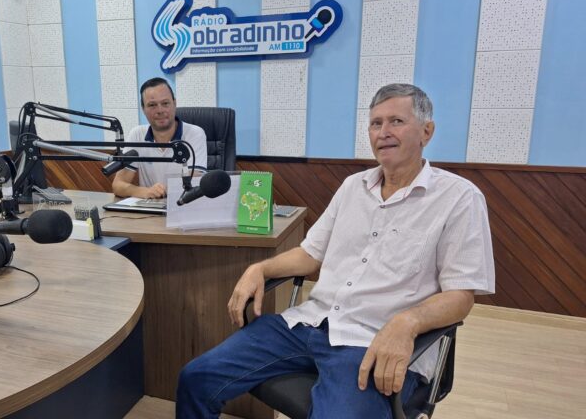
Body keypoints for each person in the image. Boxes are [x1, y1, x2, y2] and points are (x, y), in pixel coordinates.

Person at [176, 83, 495, 418]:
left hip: (373, 342)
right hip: (309, 324)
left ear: (426, 131)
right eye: (375, 123)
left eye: (396, 122)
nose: (383, 132)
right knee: (196, 377)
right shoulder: (352, 187)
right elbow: (310, 254)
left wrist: (408, 321)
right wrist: (260, 269)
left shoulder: (459, 198)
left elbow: (461, 295)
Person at [112, 77, 208, 199]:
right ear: (143, 109)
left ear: (175, 103)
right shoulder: (137, 134)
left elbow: (195, 181)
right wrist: (144, 191)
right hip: (149, 209)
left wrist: (162, 191)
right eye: (152, 105)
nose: (160, 110)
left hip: (184, 206)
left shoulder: (194, 134)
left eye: (165, 103)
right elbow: (118, 185)